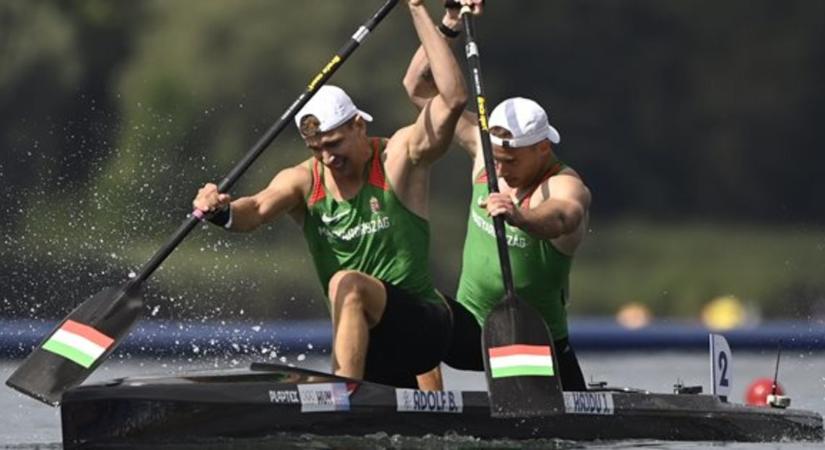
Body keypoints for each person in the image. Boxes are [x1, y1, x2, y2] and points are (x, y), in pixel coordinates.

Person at [193, 0, 467, 389]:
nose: (326, 157)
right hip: (373, 343)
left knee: (347, 284)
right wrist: (221, 210)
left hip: (425, 327)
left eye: (334, 144)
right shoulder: (304, 181)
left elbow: (452, 100)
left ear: (358, 125)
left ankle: (343, 396)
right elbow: (253, 210)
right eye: (316, 149)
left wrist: (426, 12)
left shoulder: (399, 157)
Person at [403, 0, 589, 391]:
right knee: (410, 306)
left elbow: (563, 215)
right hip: (473, 331)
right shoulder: (481, 149)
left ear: (541, 148)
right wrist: (450, 23)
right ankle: (424, 401)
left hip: (536, 342)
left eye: (511, 160)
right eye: (496, 159)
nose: (500, 169)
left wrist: (519, 216)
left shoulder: (564, 184)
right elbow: (419, 86)